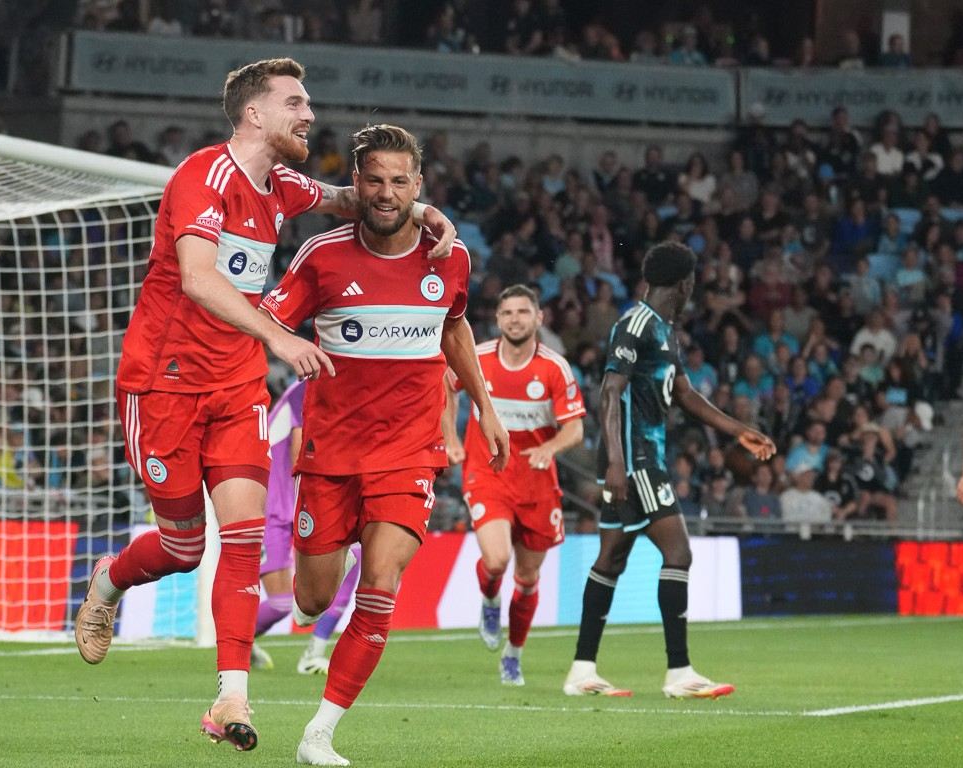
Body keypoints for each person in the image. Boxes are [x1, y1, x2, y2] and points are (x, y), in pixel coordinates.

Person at [72, 58, 457, 753]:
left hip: (235, 386)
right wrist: (277, 335)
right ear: (255, 114)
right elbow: (195, 277)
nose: (308, 114)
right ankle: (109, 579)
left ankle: (230, 695)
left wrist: (423, 209)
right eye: (294, 103)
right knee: (185, 546)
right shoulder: (203, 178)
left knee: (244, 541)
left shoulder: (280, 185)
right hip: (163, 384)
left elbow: (349, 199)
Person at [259, 124, 509, 765]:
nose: (387, 192)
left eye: (400, 181)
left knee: (381, 582)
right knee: (312, 599)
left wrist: (486, 407)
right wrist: (284, 346)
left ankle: (320, 734)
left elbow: (455, 330)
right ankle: (322, 582)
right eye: (375, 179)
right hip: (331, 455)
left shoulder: (450, 258)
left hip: (410, 452)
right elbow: (266, 323)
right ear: (357, 183)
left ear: (418, 186)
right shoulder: (321, 256)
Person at [563, 243, 776, 699]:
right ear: (684, 283)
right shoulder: (636, 324)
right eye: (693, 282)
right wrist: (618, 462)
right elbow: (608, 392)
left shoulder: (664, 330)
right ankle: (679, 672)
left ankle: (581, 671)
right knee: (678, 553)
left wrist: (738, 430)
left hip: (642, 458)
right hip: (634, 459)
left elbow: (684, 394)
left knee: (611, 559)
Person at [440, 285, 585, 686]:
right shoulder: (479, 357)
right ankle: (489, 599)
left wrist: (551, 447)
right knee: (498, 559)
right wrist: (450, 436)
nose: (515, 319)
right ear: (498, 319)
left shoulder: (555, 368)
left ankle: (514, 653)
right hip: (487, 472)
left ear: (539, 318)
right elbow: (444, 385)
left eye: (523, 312)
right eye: (507, 313)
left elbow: (574, 428)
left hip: (537, 481)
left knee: (528, 577)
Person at [249, 379, 361, 675]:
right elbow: (302, 456)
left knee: (355, 554)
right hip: (268, 505)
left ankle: (314, 652)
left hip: (298, 504)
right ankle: (238, 645)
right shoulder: (307, 390)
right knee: (283, 603)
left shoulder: (347, 394)